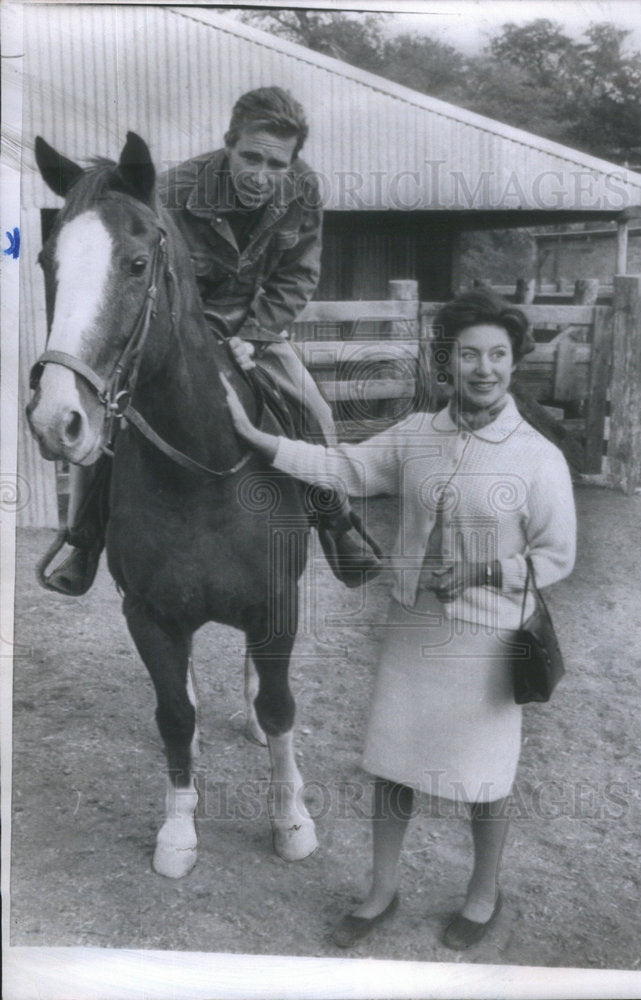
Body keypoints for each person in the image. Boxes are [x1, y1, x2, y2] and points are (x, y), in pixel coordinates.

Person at [220, 289, 577, 950]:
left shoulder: (536, 457)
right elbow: (344, 468)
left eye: (497, 354)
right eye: (468, 354)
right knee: (394, 765)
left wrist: (480, 572)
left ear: (512, 362)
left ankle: (481, 895)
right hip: (413, 627)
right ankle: (380, 892)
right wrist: (259, 440)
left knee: (485, 777)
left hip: (491, 635)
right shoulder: (417, 435)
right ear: (448, 361)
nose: (483, 368)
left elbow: (556, 556)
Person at [40, 87, 380, 595]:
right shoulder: (171, 192)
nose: (261, 175)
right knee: (109, 409)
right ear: (228, 143)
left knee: (317, 410)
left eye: (276, 163)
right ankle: (84, 539)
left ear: (294, 161)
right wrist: (206, 334)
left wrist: (254, 336)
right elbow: (157, 277)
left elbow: (297, 277)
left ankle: (338, 524)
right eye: (250, 157)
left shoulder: (304, 190)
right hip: (179, 324)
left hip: (256, 328)